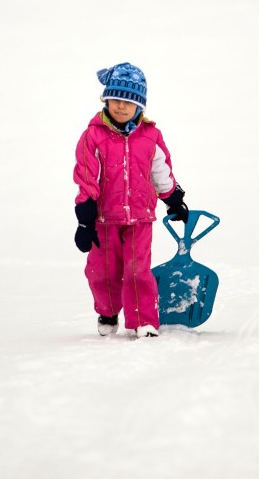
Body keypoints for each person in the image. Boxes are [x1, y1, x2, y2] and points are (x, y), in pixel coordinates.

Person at [72, 62, 189, 338]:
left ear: (140, 106)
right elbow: (87, 175)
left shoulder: (150, 136)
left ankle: (144, 321)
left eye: (128, 102)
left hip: (140, 218)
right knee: (102, 272)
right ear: (106, 100)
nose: (121, 107)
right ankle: (108, 311)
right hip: (103, 219)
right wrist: (85, 220)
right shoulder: (93, 136)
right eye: (115, 100)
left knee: (138, 272)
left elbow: (160, 170)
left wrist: (173, 198)